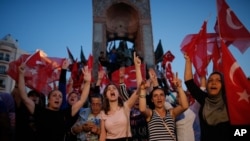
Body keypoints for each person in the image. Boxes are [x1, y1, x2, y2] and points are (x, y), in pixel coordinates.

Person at [17, 62, 91, 141]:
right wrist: (21, 75)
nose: (57, 98)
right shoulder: (40, 111)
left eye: (60, 96)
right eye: (54, 95)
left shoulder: (65, 114)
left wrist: (87, 82)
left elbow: (82, 100)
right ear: (48, 99)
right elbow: (24, 97)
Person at [184, 54, 231, 141]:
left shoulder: (230, 103)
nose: (213, 83)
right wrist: (188, 61)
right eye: (210, 80)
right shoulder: (204, 99)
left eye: (218, 80)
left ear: (224, 85)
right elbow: (189, 82)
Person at [99, 52, 142, 141]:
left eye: (114, 88)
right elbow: (103, 135)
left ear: (118, 94)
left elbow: (139, 89)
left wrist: (137, 67)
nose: (111, 90)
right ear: (106, 96)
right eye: (109, 89)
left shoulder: (126, 106)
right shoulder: (103, 113)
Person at [139, 71, 189, 141]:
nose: (159, 98)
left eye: (161, 95)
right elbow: (142, 109)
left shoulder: (171, 113)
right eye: (155, 96)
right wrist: (142, 90)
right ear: (152, 100)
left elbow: (185, 106)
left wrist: (179, 87)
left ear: (165, 98)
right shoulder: (150, 114)